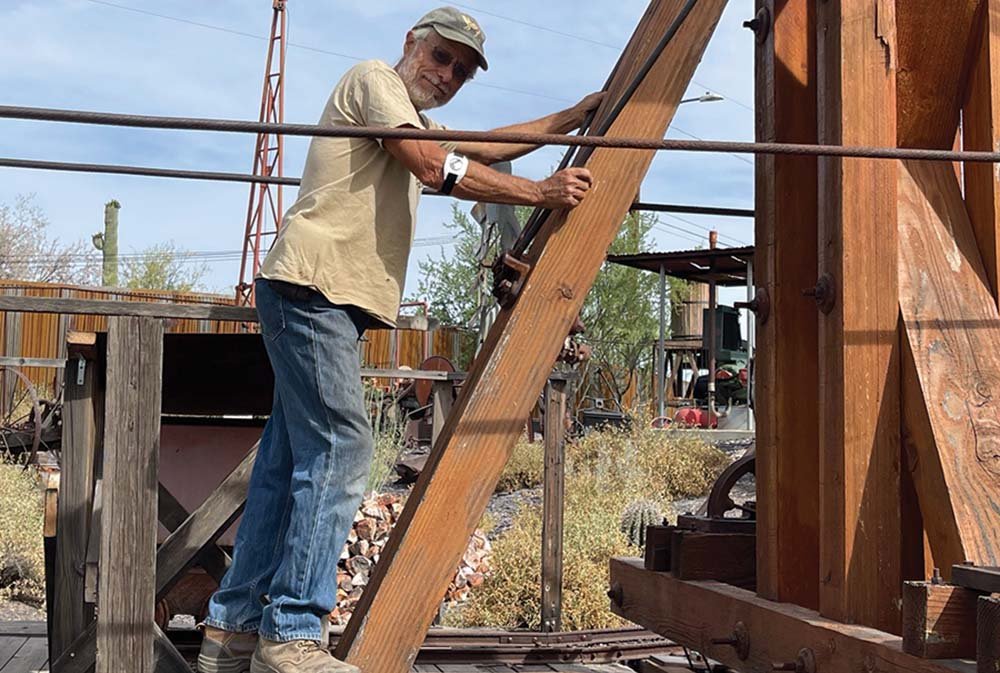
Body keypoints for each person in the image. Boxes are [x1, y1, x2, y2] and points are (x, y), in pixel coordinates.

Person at [197, 7, 602, 673]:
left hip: (318, 296)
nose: (449, 76)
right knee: (344, 447)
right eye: (442, 58)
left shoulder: (413, 113)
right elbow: (427, 163)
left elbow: (482, 146)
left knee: (284, 461)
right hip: (311, 289)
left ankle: (233, 629)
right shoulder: (373, 81)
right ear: (411, 45)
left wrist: (571, 117)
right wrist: (541, 192)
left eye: (463, 72)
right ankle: (292, 634)